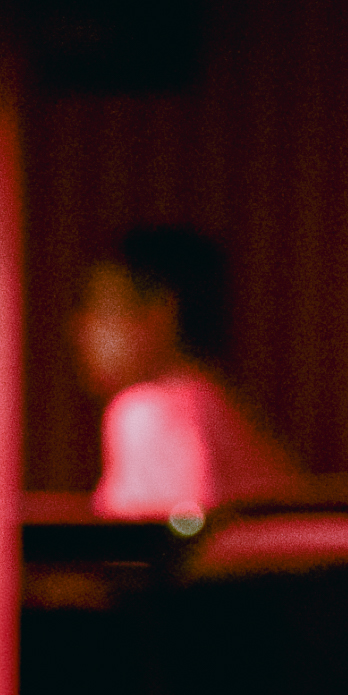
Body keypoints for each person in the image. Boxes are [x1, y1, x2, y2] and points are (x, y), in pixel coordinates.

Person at [78, 222, 299, 527]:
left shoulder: (151, 412)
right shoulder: (212, 403)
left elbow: (170, 554)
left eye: (103, 308)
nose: (83, 330)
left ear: (160, 313)